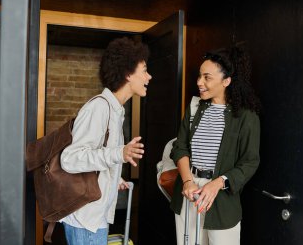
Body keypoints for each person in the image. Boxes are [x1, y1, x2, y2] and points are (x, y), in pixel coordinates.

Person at [59, 37, 152, 245]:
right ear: (128, 74)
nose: (149, 76)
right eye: (144, 70)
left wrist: (112, 177)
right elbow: (70, 158)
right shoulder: (99, 108)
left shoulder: (115, 111)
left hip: (94, 217)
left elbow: (96, 155)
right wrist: (119, 154)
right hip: (85, 220)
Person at [170, 46, 261, 245]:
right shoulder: (195, 107)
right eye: (199, 76)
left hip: (222, 199)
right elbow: (180, 147)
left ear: (226, 81)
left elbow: (249, 162)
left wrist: (217, 183)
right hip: (189, 191)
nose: (199, 82)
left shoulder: (246, 117)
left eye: (207, 77)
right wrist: (187, 182)